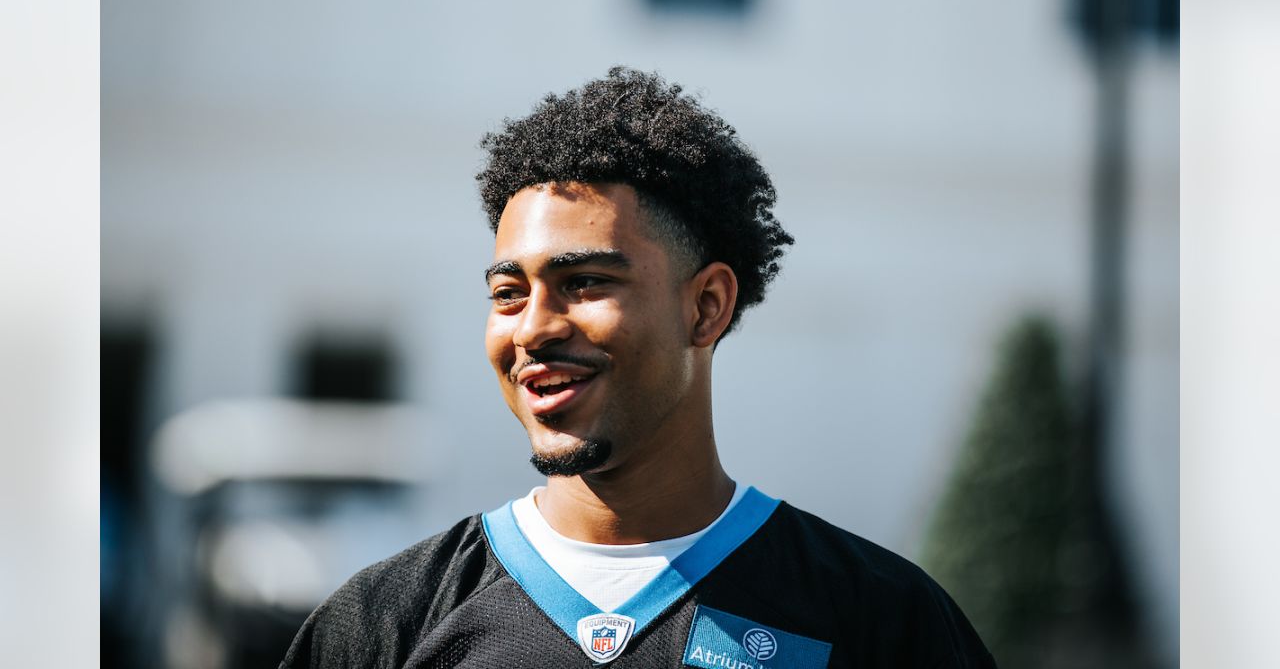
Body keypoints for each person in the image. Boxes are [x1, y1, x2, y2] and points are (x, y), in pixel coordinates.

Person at [280, 67, 995, 668]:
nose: (533, 328)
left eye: (586, 283)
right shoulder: (382, 622)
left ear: (706, 307)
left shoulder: (880, 620)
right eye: (507, 294)